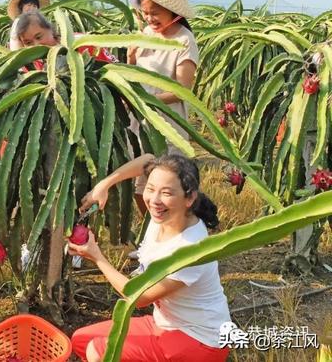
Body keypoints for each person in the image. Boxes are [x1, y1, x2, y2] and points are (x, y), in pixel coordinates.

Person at [70, 154, 231, 362]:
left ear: (189, 198)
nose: (154, 200)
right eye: (151, 188)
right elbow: (147, 159)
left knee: (99, 352)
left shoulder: (191, 250)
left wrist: (97, 257)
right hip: (165, 324)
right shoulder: (166, 215)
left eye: (166, 193)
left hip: (200, 340)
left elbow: (139, 297)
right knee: (81, 340)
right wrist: (105, 185)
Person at [125, 0, 199, 216]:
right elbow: (136, 74)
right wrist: (130, 57)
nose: (149, 17)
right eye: (145, 12)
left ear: (171, 9)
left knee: (169, 189)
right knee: (140, 189)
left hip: (168, 124)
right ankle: (152, 236)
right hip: (141, 122)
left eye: (154, 12)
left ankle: (173, 237)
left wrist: (146, 100)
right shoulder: (146, 34)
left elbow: (183, 90)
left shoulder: (184, 40)